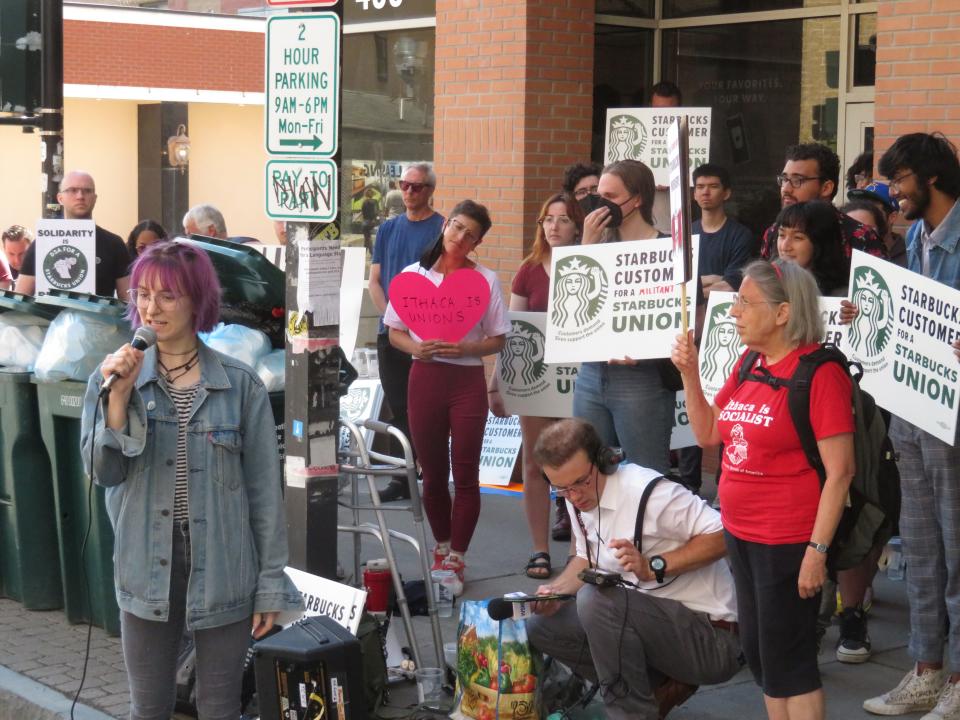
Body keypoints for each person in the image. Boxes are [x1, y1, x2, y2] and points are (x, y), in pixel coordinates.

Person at [79, 241, 302, 720]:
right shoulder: (111, 378)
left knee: (219, 707)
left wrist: (270, 583)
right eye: (142, 294)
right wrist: (116, 401)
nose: (150, 308)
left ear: (197, 300)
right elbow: (103, 473)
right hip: (145, 562)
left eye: (167, 296)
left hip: (224, 562)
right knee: (150, 707)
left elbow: (264, 494)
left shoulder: (240, 386)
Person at [673, 259, 855, 720]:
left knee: (789, 661)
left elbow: (841, 473)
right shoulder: (752, 361)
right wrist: (689, 373)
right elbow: (708, 434)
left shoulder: (819, 373)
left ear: (782, 313)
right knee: (760, 655)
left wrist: (816, 552)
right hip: (741, 533)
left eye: (745, 303)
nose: (734, 312)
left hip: (788, 540)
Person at [527, 418, 742, 720]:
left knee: (597, 600)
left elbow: (726, 535)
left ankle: (631, 714)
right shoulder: (579, 499)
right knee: (541, 626)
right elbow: (587, 556)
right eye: (561, 489)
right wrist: (556, 592)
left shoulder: (651, 493)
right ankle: (650, 691)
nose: (574, 496)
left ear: (604, 461)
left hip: (713, 638)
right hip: (655, 627)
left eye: (580, 482)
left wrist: (655, 566)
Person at [860, 133, 960, 719]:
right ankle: (925, 667)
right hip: (911, 411)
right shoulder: (916, 238)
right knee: (922, 548)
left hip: (952, 419)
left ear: (931, 179)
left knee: (957, 546)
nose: (891, 193)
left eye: (898, 181)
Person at [383, 200, 509, 595]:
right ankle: (441, 547)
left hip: (466, 382)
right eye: (456, 227)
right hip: (425, 379)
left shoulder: (486, 279)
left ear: (478, 242)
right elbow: (394, 331)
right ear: (445, 226)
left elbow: (499, 337)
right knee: (432, 473)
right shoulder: (413, 275)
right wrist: (414, 349)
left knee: (466, 470)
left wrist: (469, 350)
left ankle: (458, 555)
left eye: (469, 234)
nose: (459, 237)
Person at [488, 193, 584, 578]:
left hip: (579, 381)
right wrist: (497, 383)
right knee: (534, 462)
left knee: (580, 464)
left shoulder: (590, 265)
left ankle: (582, 548)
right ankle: (540, 550)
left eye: (563, 219)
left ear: (578, 226)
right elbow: (512, 332)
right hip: (537, 382)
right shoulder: (528, 270)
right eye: (548, 219)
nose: (554, 226)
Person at [577, 160, 675, 475]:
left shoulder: (667, 250)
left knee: (647, 475)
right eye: (596, 195)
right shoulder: (597, 245)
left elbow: (680, 321)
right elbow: (574, 303)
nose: (600, 205)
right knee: (588, 470)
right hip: (592, 374)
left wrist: (645, 350)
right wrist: (586, 246)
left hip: (641, 379)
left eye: (610, 196)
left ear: (637, 200)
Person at [368, 163, 445, 502]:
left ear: (429, 190)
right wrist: (390, 317)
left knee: (425, 408)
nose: (409, 192)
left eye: (416, 187)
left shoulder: (441, 228)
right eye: (405, 185)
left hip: (424, 334)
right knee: (400, 407)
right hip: (390, 332)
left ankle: (431, 475)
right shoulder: (388, 229)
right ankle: (404, 477)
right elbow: (375, 279)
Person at [759, 144, 886, 263]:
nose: (786, 189)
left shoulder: (859, 237)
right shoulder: (774, 233)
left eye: (797, 180)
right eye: (784, 179)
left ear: (826, 188)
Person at [16, 171, 131, 298]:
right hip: (50, 317)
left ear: (95, 198)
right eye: (72, 190)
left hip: (98, 317)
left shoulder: (114, 244)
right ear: (60, 198)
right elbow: (21, 298)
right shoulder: (42, 243)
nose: (80, 196)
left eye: (87, 191)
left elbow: (127, 301)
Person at [692, 163, 755, 297]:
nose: (705, 192)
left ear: (726, 193)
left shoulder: (741, 235)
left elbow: (730, 286)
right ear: (695, 194)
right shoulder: (686, 234)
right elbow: (675, 283)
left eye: (713, 186)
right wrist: (716, 279)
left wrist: (691, 292)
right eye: (700, 187)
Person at [770, 200, 849, 296]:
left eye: (797, 237)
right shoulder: (764, 284)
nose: (785, 246)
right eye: (782, 235)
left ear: (820, 242)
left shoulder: (841, 296)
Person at [848, 181, 908, 266]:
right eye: (860, 206)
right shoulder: (847, 249)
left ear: (892, 217)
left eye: (873, 209)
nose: (863, 214)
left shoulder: (911, 254)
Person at [360, 186, 380, 253]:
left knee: (367, 238)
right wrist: (376, 219)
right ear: (372, 194)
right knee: (368, 238)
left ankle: (366, 253)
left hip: (365, 222)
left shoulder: (364, 202)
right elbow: (376, 212)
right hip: (372, 222)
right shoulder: (375, 201)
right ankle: (371, 253)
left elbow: (363, 213)